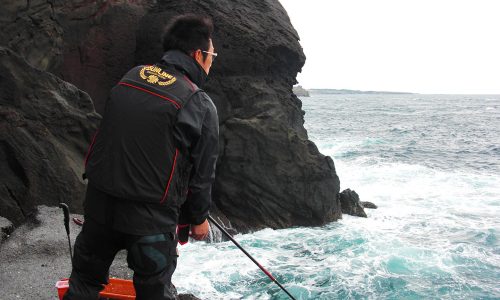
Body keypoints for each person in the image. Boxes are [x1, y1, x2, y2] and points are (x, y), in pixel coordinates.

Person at [64, 14, 219, 300]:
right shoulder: (199, 102)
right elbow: (202, 173)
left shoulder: (130, 76)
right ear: (198, 54)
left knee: (84, 283)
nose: (212, 61)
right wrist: (197, 219)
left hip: (99, 205)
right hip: (150, 221)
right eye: (212, 54)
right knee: (154, 292)